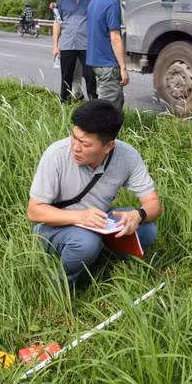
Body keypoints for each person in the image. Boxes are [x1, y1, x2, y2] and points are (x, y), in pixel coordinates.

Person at [28, 99, 162, 290]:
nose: (75, 147)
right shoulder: (56, 154)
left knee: (148, 231)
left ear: (108, 147)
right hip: (54, 226)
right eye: (74, 137)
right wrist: (80, 216)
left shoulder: (127, 156)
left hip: (98, 222)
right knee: (86, 243)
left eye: (85, 144)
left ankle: (98, 261)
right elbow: (34, 212)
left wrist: (138, 215)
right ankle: (61, 283)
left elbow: (153, 204)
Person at [86, 0, 129, 109]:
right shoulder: (112, 2)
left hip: (95, 60)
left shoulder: (95, 0)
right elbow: (115, 38)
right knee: (107, 111)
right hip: (108, 62)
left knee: (115, 103)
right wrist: (123, 67)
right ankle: (94, 132)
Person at [52, 0, 97, 102]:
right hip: (67, 44)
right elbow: (57, 22)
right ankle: (64, 103)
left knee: (90, 76)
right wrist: (55, 46)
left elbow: (98, 17)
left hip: (86, 44)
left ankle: (94, 104)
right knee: (66, 76)